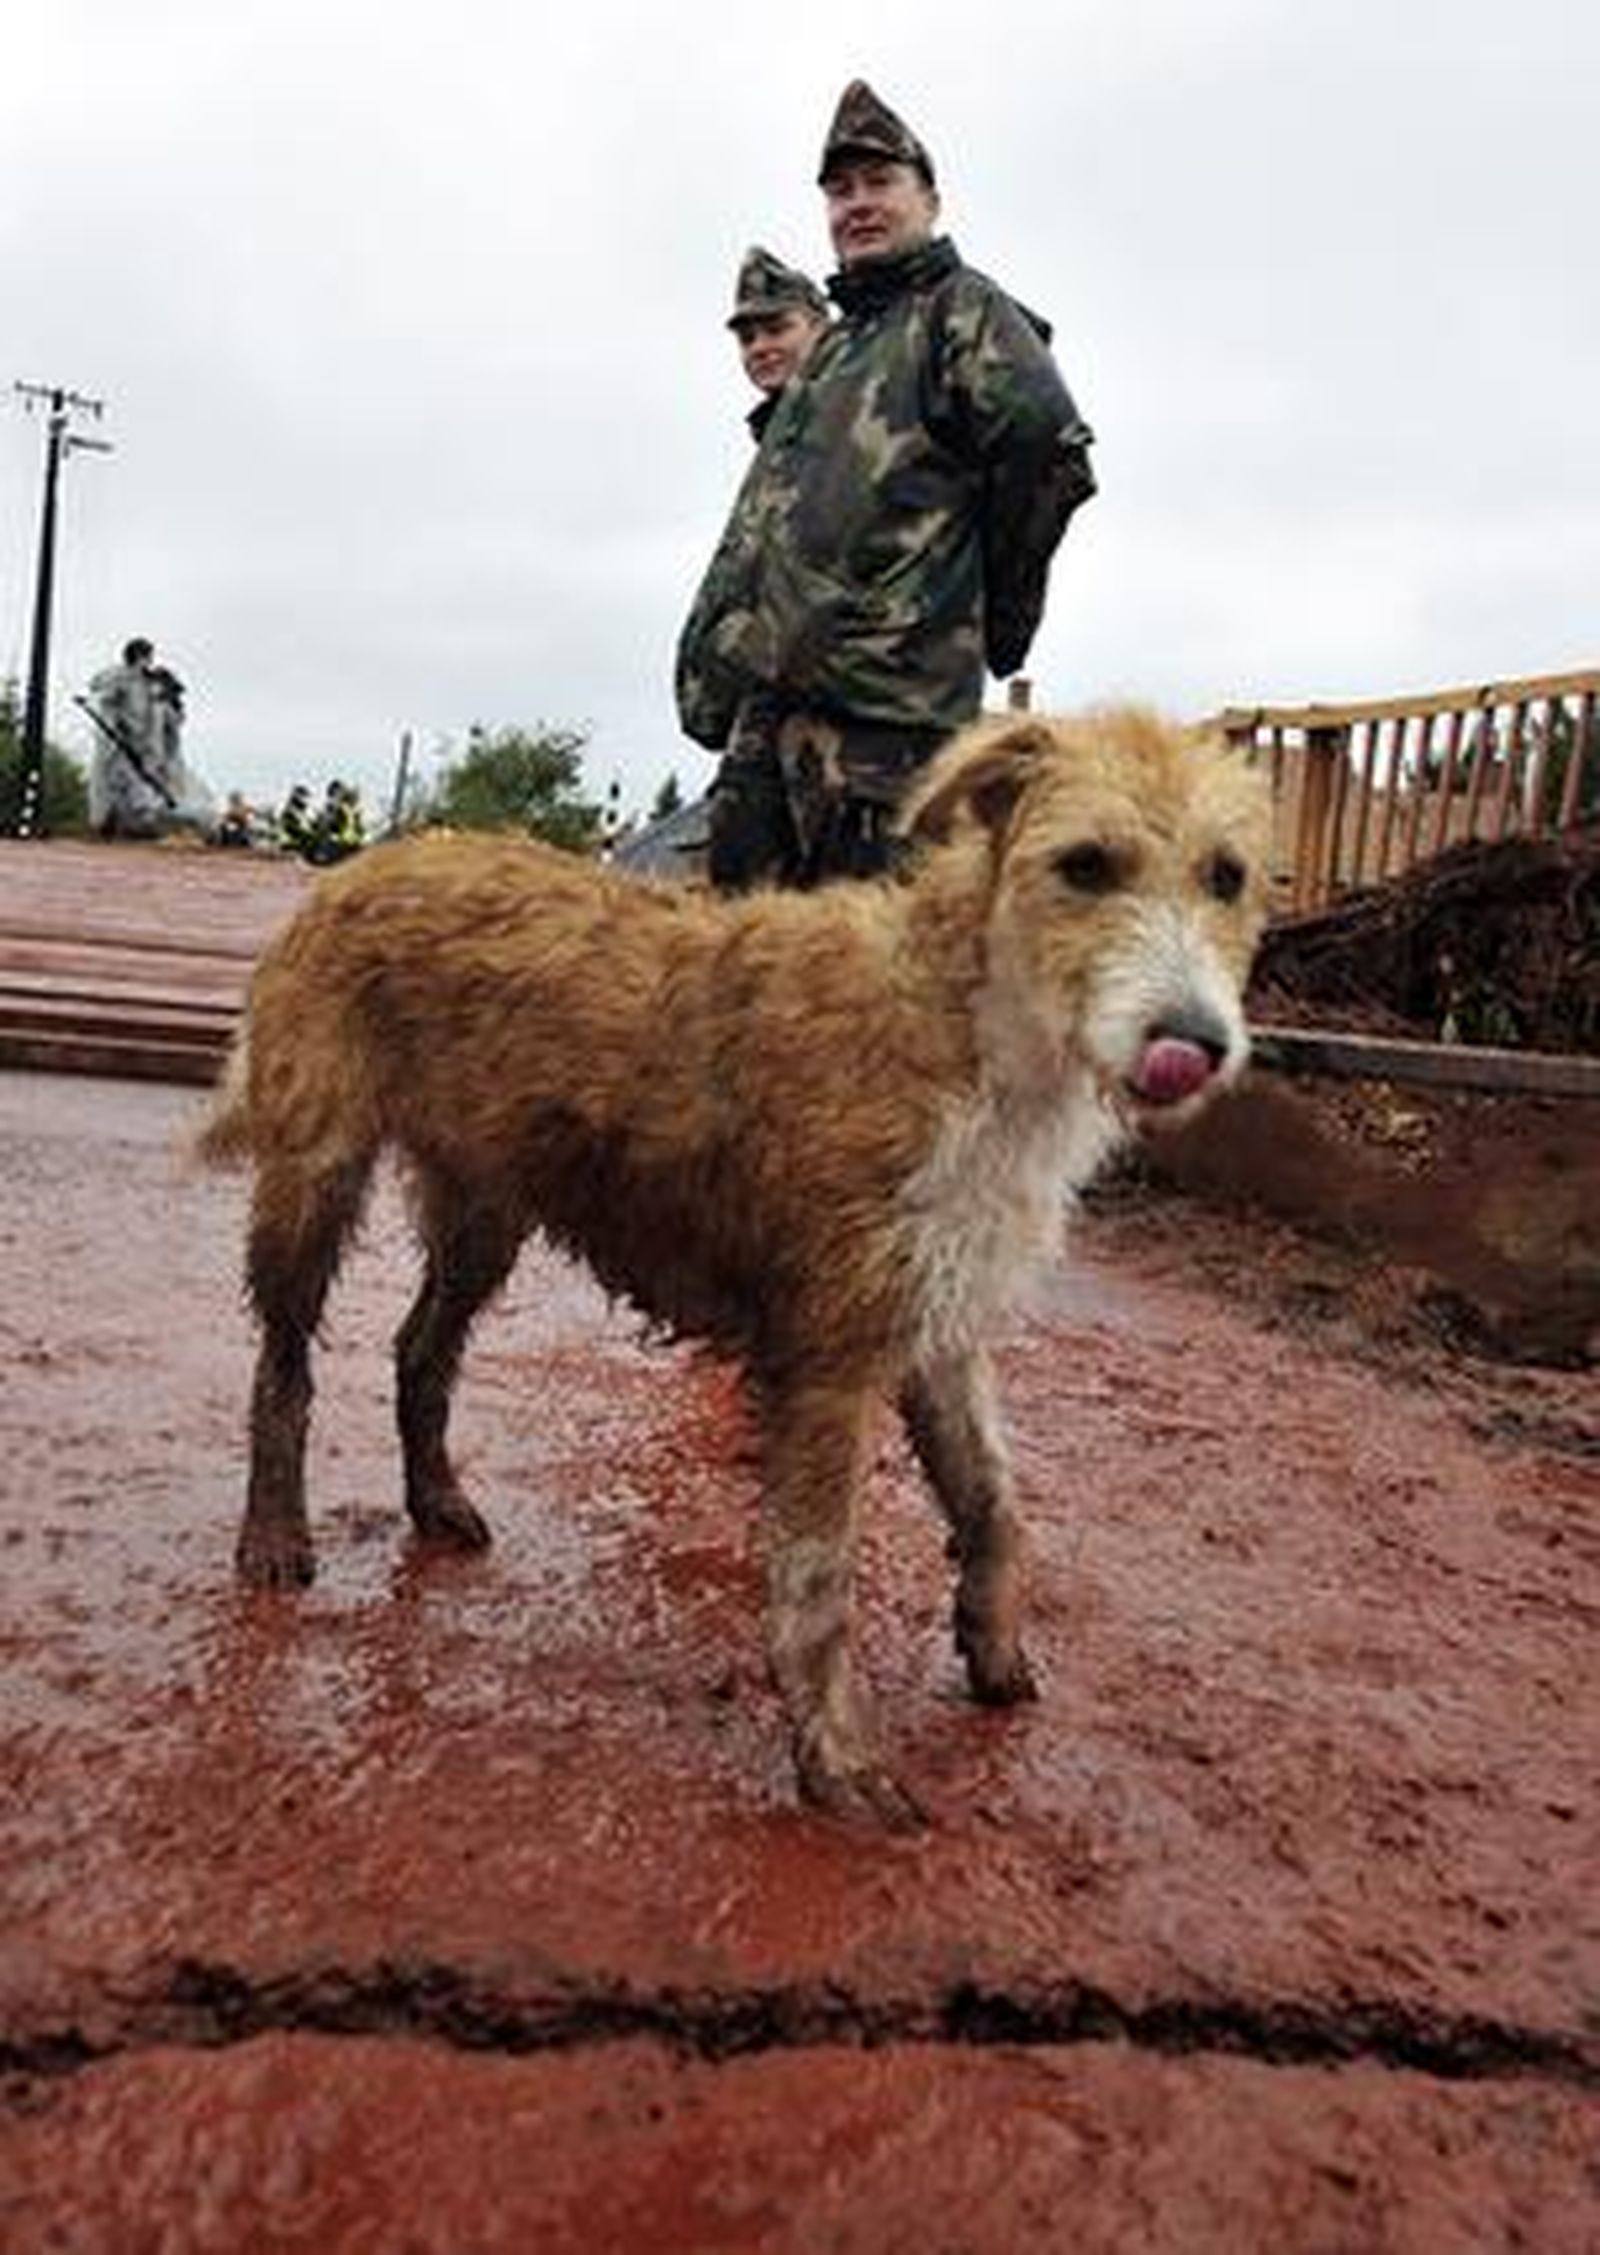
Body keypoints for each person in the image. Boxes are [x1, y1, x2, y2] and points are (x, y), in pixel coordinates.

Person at [676, 80, 1096, 885]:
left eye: (880, 184)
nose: (857, 204)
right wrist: (709, 669)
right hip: (773, 731)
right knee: (741, 984)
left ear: (930, 198)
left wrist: (984, 616)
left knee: (867, 990)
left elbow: (1045, 452)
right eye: (840, 190)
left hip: (883, 737)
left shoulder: (960, 311)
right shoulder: (834, 351)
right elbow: (762, 530)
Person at [706, 246, 832, 890]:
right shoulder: (780, 435)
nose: (759, 346)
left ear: (821, 323)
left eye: (776, 327)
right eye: (747, 335)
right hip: (768, 699)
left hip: (840, 700)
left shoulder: (847, 417)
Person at [86, 637, 172, 838]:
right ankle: (115, 822)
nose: (150, 661)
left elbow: (149, 712)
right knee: (120, 780)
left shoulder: (146, 682)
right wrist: (117, 726)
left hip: (139, 742)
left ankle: (130, 823)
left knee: (138, 779)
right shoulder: (119, 677)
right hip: (118, 741)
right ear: (138, 657)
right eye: (147, 656)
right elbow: (104, 700)